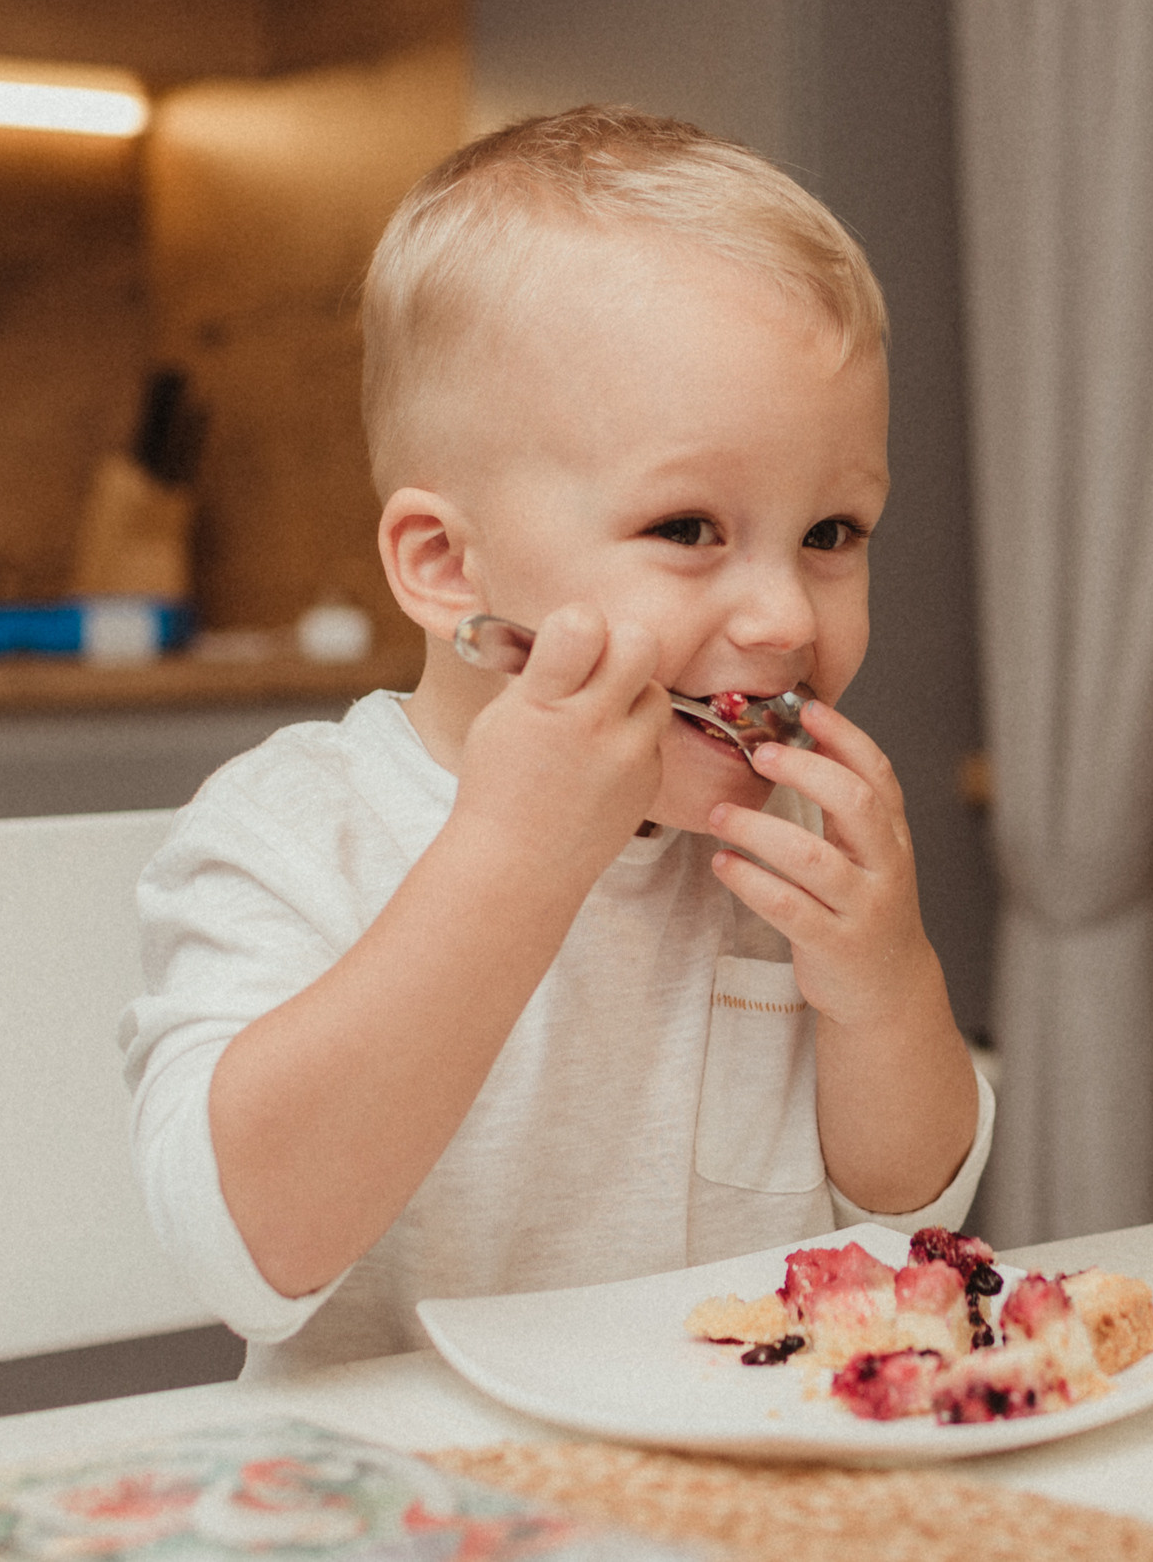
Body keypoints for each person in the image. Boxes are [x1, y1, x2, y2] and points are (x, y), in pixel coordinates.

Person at [120, 106, 991, 1377]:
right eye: (689, 527)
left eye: (832, 534)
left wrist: (885, 981)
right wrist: (514, 854)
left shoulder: (778, 847)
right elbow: (244, 1254)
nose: (784, 615)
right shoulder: (298, 829)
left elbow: (912, 1218)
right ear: (445, 566)